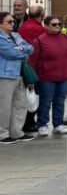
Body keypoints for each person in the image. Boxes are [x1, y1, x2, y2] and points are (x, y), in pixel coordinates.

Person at [30, 16, 67, 136]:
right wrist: (33, 77)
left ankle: (58, 124)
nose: (58, 26)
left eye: (59, 24)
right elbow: (33, 60)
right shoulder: (39, 40)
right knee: (46, 101)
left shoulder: (65, 38)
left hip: (64, 76)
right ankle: (42, 125)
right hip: (46, 77)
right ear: (46, 26)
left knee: (60, 101)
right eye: (54, 24)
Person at [0, 13, 35, 144]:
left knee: (20, 104)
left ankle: (16, 132)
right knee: (4, 106)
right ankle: (2, 134)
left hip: (19, 74)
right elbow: (10, 53)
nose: (12, 24)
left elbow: (31, 48)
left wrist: (20, 50)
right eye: (9, 22)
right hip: (4, 75)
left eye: (13, 22)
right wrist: (21, 51)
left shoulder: (16, 35)